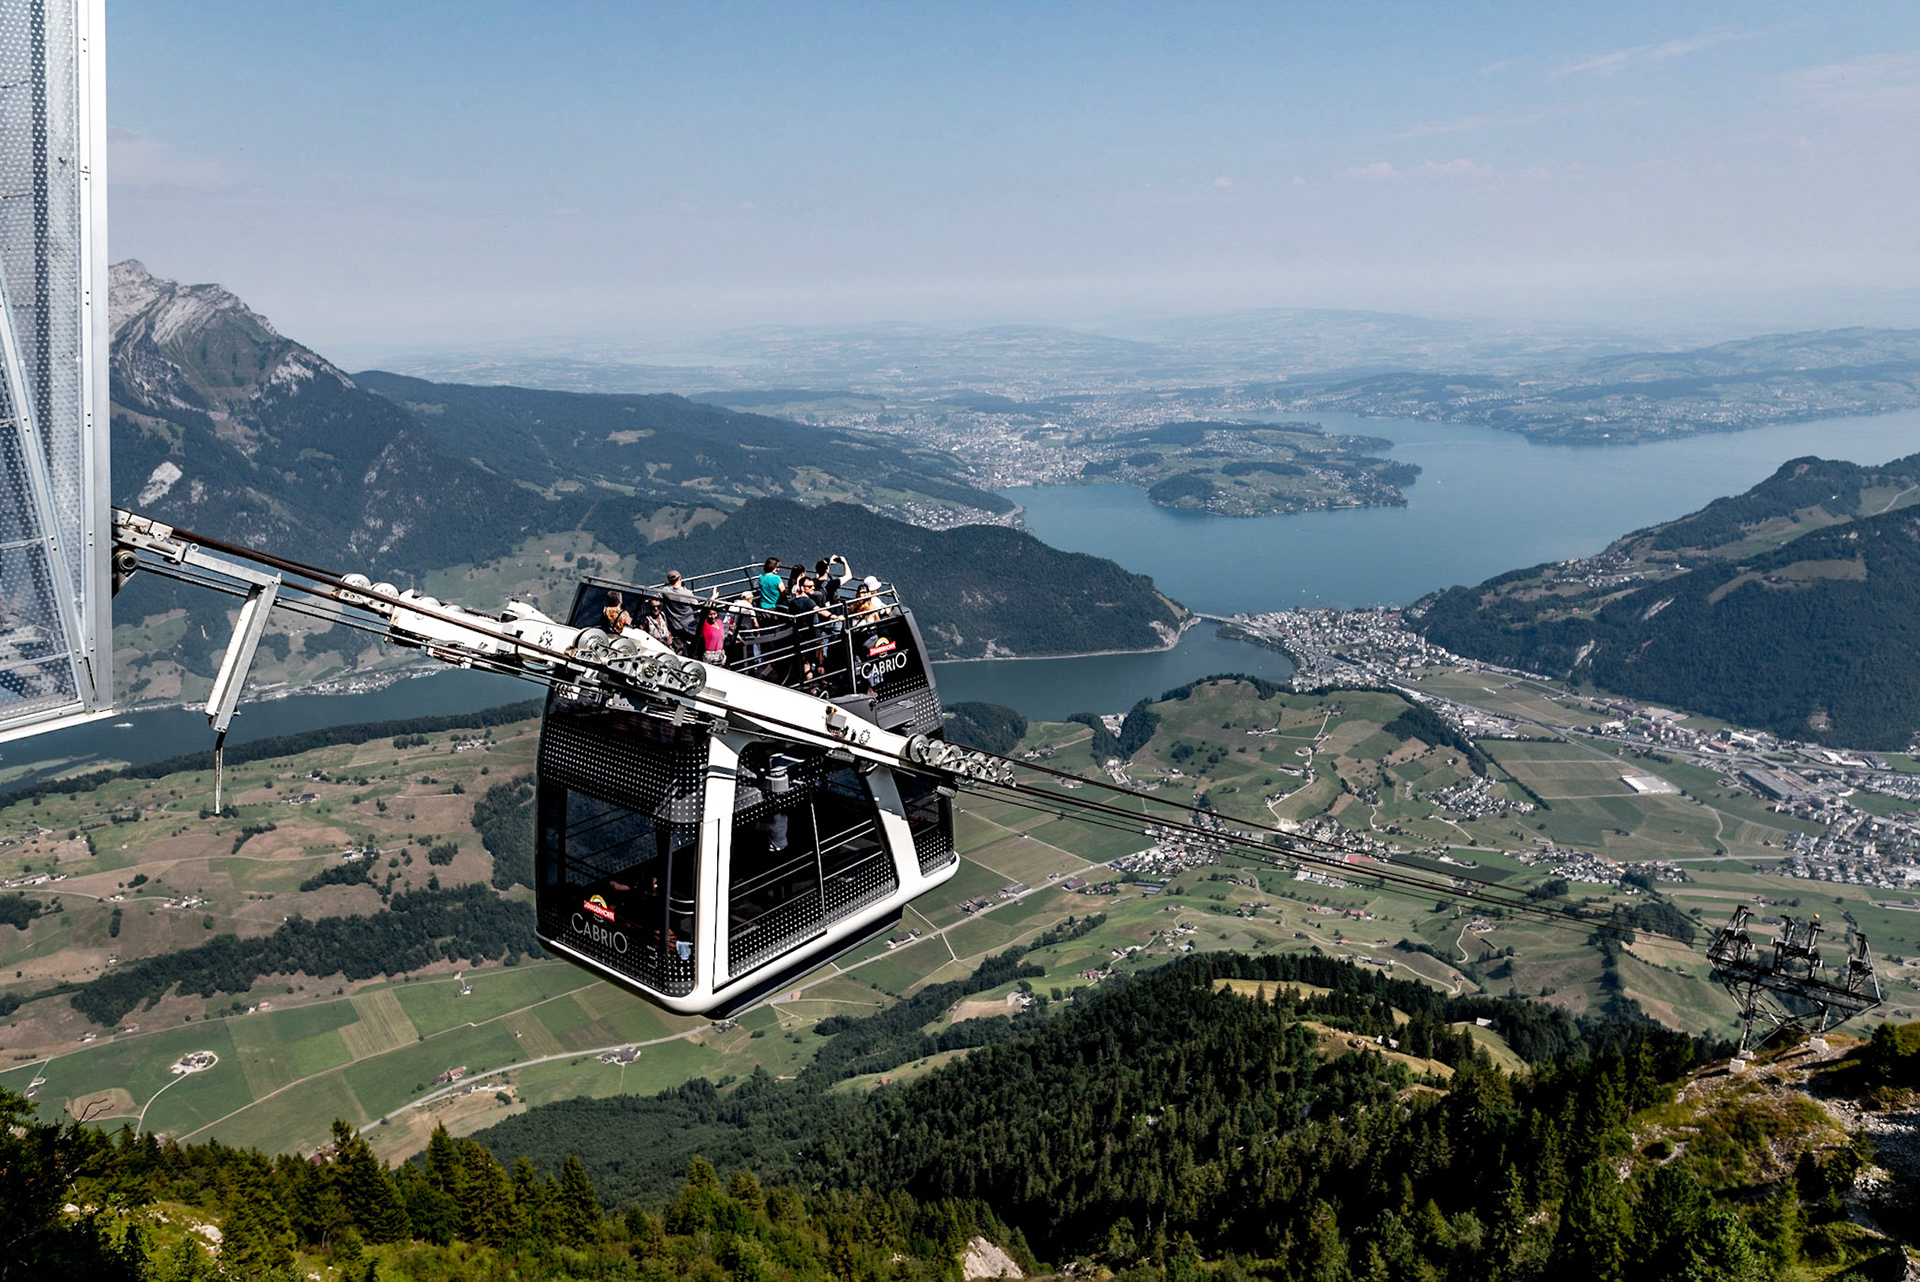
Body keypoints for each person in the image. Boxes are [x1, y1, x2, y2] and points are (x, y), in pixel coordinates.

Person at [661, 570, 701, 654]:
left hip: (675, 626)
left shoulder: (665, 591)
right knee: (692, 647)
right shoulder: (687, 593)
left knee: (679, 649)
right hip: (689, 626)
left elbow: (654, 597)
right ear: (680, 578)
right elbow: (696, 604)